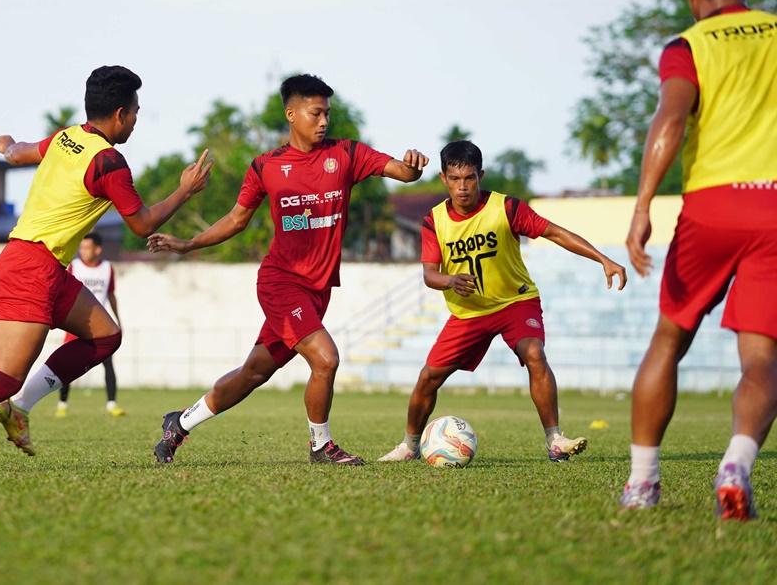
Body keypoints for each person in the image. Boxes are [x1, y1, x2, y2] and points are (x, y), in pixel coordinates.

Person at [0, 65, 212, 472]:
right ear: (121, 114)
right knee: (1, 377)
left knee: (105, 337)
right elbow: (142, 224)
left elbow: (20, 153)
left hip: (48, 266)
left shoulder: (67, 137)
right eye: (137, 112)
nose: (137, 121)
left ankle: (19, 409)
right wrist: (185, 190)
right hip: (31, 266)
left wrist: (6, 145)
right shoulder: (109, 162)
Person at [148, 74, 428, 465]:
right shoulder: (266, 166)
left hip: (317, 290)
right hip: (281, 283)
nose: (324, 121)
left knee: (253, 373)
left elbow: (399, 171)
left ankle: (180, 423)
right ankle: (321, 446)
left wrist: (412, 167)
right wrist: (188, 244)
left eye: (327, 113)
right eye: (316, 113)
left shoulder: (346, 154)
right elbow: (236, 219)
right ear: (291, 114)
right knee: (326, 359)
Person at [620, 0, 776, 520]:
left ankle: (642, 484)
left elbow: (670, 118)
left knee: (668, 341)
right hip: (775, 210)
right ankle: (737, 459)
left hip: (712, 207)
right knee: (762, 357)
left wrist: (642, 205)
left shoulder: (687, 46)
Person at [379, 140, 627, 463]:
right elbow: (429, 274)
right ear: (443, 179)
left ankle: (555, 440)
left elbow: (553, 232)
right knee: (428, 378)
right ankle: (409, 447)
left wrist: (603, 259)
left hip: (515, 302)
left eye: (469, 178)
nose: (463, 187)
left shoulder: (506, 208)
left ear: (480, 175)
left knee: (535, 353)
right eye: (455, 179)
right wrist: (451, 280)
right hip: (469, 313)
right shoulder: (434, 220)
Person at [54, 232, 125, 418]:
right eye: (82, 247)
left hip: (99, 325)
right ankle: (62, 403)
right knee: (67, 364)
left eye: (87, 247)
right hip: (76, 322)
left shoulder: (107, 268)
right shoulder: (74, 266)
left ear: (98, 249)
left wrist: (117, 320)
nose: (83, 251)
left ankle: (112, 404)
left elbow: (110, 295)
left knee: (108, 364)